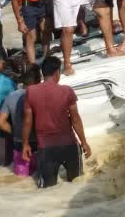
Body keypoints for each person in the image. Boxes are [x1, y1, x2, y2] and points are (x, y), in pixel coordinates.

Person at [22, 56, 91, 189]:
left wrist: (25, 144)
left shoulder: (31, 91)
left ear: (43, 73)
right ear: (57, 73)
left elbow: (27, 121)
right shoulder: (67, 91)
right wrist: (84, 142)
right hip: (69, 146)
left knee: (47, 190)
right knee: (77, 184)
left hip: (46, 148)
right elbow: (75, 119)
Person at [0, 65, 42, 177]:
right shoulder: (40, 96)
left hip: (19, 146)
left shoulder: (11, 96)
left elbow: (0, 122)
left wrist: (15, 132)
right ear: (39, 80)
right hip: (39, 146)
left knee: (21, 182)